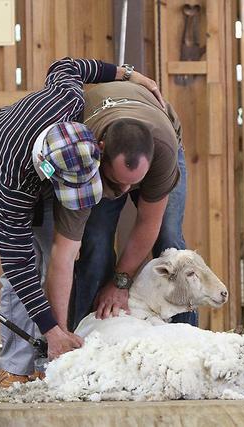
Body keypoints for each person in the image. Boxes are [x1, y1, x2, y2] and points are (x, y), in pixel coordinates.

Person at [0, 58, 163, 389]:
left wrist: (130, 74)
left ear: (97, 146)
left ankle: (50, 359)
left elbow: (67, 66)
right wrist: (53, 329)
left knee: (60, 257)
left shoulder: (68, 99)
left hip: (43, 181)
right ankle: (16, 369)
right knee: (28, 269)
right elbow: (17, 262)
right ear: (46, 171)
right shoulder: (13, 183)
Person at [68, 80, 196, 330]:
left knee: (169, 239)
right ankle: (85, 339)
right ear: (101, 153)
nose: (125, 192)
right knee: (96, 242)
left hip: (160, 137)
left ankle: (184, 338)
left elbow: (149, 222)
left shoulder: (163, 152)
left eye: (134, 183)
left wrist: (120, 282)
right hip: (102, 142)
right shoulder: (86, 147)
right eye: (120, 182)